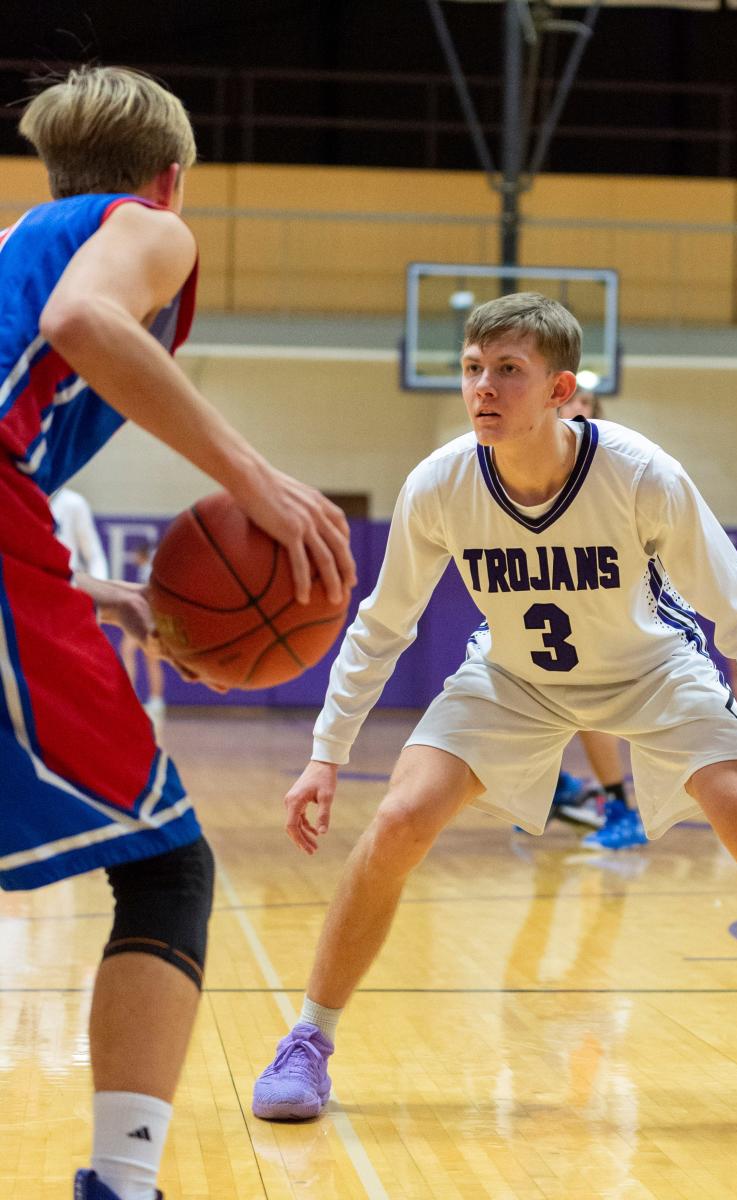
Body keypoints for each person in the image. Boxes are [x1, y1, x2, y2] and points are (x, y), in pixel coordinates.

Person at [253, 292, 737, 1141]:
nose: (483, 388)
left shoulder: (641, 474)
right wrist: (326, 755)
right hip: (516, 677)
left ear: (561, 391)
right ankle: (308, 1040)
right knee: (402, 816)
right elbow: (383, 624)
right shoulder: (440, 483)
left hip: (654, 669)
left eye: (507, 372)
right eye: (473, 370)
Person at [3, 66, 355, 1200]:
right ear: (170, 178)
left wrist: (69, 588)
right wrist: (254, 479)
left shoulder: (18, 237)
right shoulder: (147, 230)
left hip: (22, 540)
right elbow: (83, 319)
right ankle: (124, 1183)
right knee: (165, 867)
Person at [553, 386, 647, 851]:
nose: (578, 410)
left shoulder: (609, 458)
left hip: (601, 596)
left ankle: (621, 809)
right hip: (546, 595)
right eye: (573, 403)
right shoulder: (525, 459)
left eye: (586, 405)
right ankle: (559, 788)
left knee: (590, 709)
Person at [120, 541, 167, 729]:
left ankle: (130, 697)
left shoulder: (149, 570)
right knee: (150, 659)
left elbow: (149, 598)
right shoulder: (154, 567)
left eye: (135, 554)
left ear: (142, 554)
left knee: (128, 651)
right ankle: (156, 702)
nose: (133, 558)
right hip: (153, 620)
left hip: (148, 620)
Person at [50, 486, 110, 580]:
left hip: (65, 584)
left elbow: (94, 556)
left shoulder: (73, 502)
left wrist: (96, 589)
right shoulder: (21, 500)